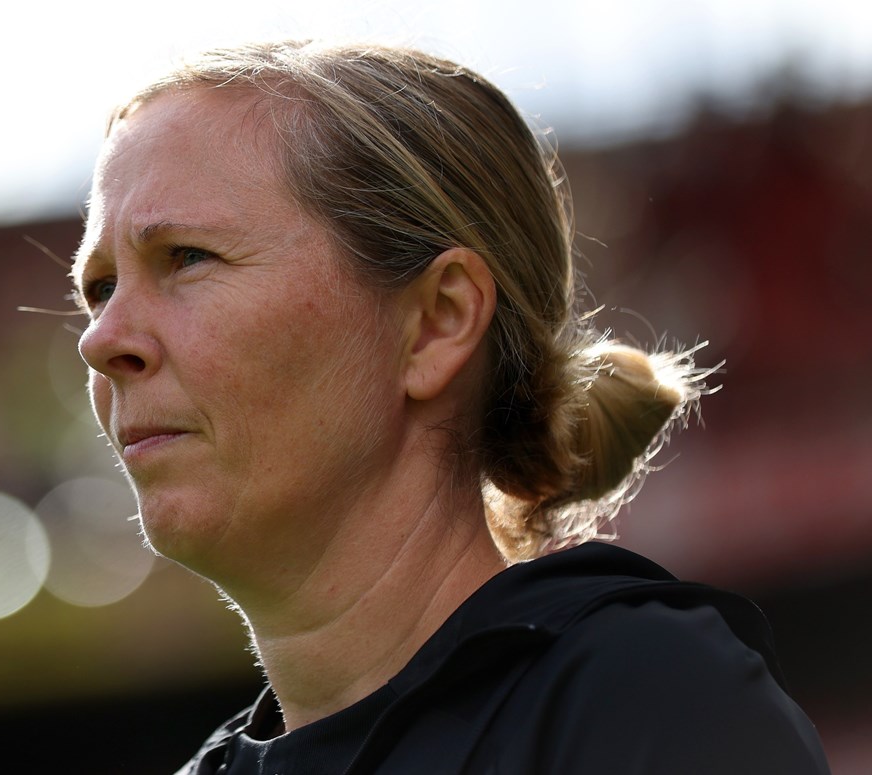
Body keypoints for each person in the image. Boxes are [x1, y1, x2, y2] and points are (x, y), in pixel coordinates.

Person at [70, 41, 829, 774]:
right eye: (101, 288)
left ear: (437, 322)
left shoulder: (644, 701)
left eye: (187, 257)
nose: (100, 340)